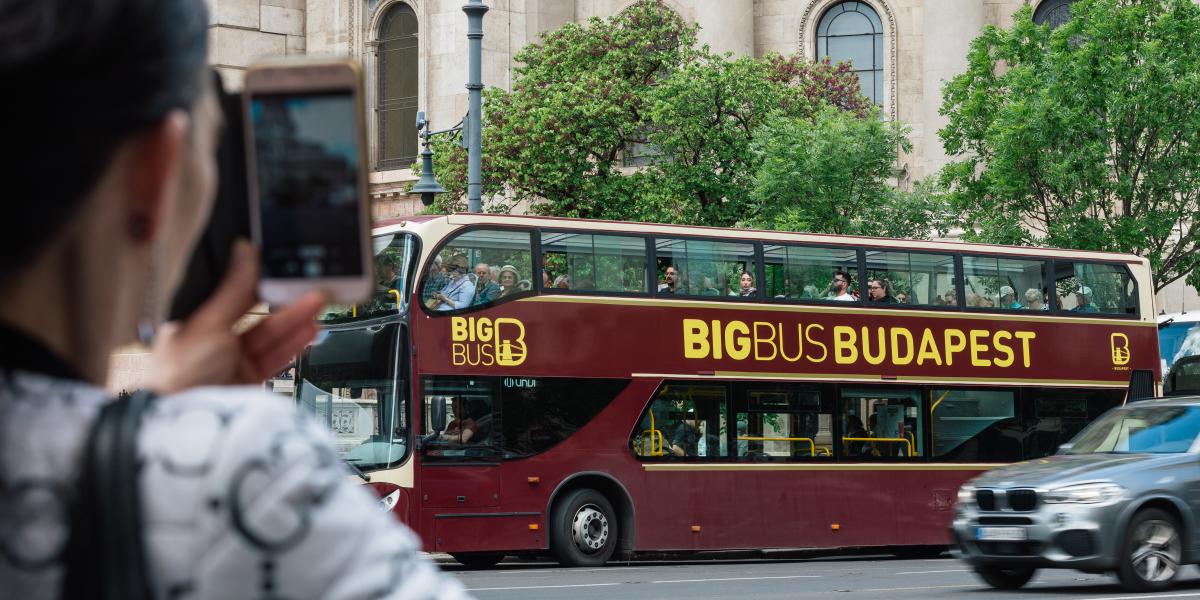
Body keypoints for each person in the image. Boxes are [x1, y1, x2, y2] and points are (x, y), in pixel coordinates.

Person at [0, 1, 470, 598]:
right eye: (219, 136)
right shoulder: (244, 469)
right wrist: (178, 439)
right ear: (155, 169)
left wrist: (147, 428)